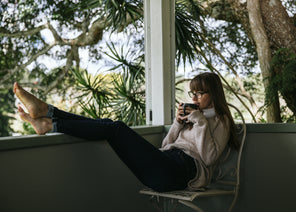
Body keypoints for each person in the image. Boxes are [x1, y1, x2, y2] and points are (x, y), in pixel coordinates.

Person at [13, 72, 238, 192]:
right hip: (165, 163)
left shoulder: (221, 121)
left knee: (115, 128)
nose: (194, 98)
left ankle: (50, 116)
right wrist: (178, 123)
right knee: (109, 127)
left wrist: (199, 122)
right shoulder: (193, 116)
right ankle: (48, 115)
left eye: (200, 93)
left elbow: (208, 158)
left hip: (181, 173)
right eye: (192, 93)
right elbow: (165, 147)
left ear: (214, 94)